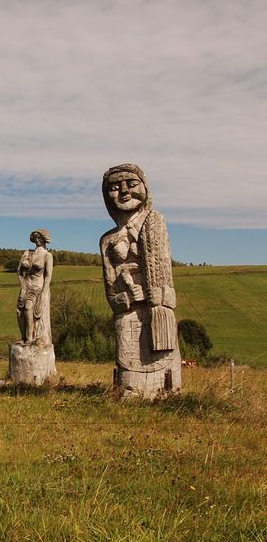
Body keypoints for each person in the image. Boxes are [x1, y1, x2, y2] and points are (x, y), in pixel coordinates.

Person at [100, 163, 181, 399]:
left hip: (157, 311)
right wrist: (124, 299)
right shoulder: (107, 240)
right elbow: (111, 289)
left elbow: (166, 276)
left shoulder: (154, 223)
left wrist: (162, 296)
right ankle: (131, 389)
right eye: (114, 187)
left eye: (131, 184)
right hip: (128, 314)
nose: (124, 191)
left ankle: (165, 390)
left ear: (145, 188)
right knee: (128, 349)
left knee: (161, 354)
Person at [16, 229, 53, 345]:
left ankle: (30, 338)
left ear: (44, 239)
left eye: (39, 238)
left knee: (28, 308)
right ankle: (23, 337)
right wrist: (22, 285)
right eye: (35, 238)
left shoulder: (47, 255)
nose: (37, 240)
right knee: (19, 312)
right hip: (26, 285)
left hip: (38, 286)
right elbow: (18, 271)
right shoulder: (28, 253)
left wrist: (44, 292)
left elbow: (48, 276)